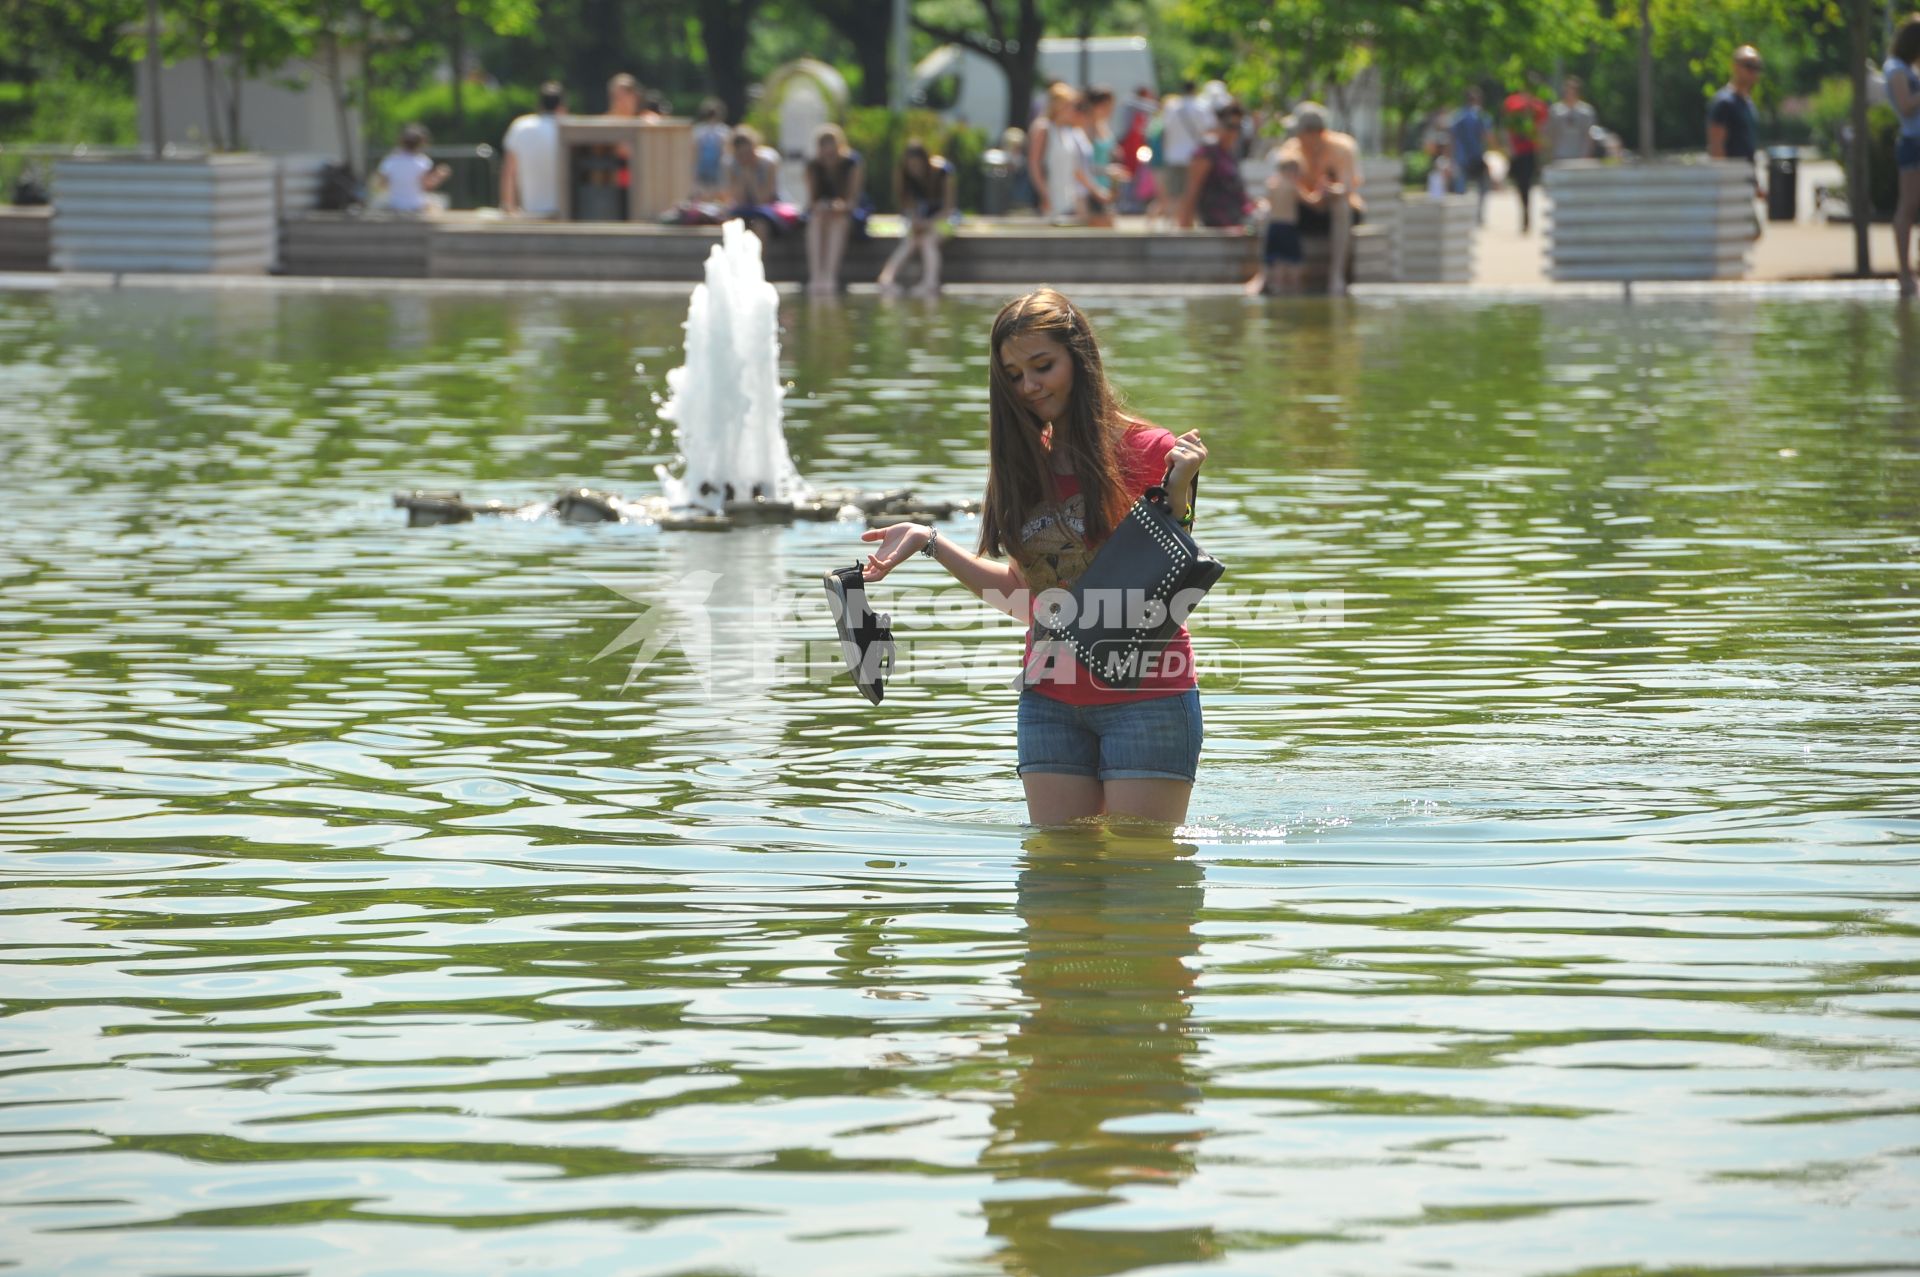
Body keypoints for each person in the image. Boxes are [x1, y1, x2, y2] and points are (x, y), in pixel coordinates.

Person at [856, 289, 1210, 826]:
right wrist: (930, 542)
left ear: (1080, 358)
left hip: (1147, 696)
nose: (1030, 386)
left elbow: (1168, 575)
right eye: (1015, 375)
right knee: (1054, 891)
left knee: (1144, 884)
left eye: (1042, 366)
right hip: (1048, 701)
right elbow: (1029, 601)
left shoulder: (1148, 451)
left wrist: (1179, 493)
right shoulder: (1026, 464)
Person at [1276, 102, 1365, 296]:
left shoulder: (1343, 147)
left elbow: (1347, 188)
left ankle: (1336, 275)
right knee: (1276, 203)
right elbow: (1284, 183)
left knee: (1340, 205)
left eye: (1299, 131)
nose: (1296, 136)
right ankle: (1268, 274)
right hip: (1306, 208)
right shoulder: (1292, 148)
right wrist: (1309, 198)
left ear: (1315, 132)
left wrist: (1330, 191)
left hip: (1339, 208)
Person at [877, 140, 953, 296]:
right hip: (919, 221)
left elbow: (948, 208)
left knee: (927, 240)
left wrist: (927, 223)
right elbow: (908, 209)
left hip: (942, 219)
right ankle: (887, 278)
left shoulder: (942, 172)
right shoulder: (905, 178)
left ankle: (930, 282)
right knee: (911, 240)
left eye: (917, 164)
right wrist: (917, 223)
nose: (915, 169)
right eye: (911, 165)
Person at [803, 123, 863, 296]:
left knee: (838, 221)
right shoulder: (813, 166)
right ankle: (816, 275)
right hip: (821, 214)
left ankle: (830, 275)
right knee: (816, 220)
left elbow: (853, 200)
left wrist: (840, 206)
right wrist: (822, 206)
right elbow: (811, 201)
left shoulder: (852, 163)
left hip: (846, 214)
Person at [1886, 14, 1920, 298]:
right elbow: (1906, 105)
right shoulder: (1896, 68)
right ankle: (1904, 272)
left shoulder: (1908, 68)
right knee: (1908, 206)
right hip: (1912, 142)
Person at [1179, 97, 1250, 230]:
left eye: (1238, 127)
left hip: (1237, 226)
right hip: (1215, 228)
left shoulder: (1230, 154)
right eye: (1230, 126)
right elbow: (1191, 191)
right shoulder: (1207, 152)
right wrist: (1184, 230)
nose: (1233, 133)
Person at [1709, 45, 1765, 208]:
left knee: (1748, 231)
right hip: (1730, 181)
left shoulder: (1748, 104)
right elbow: (1716, 145)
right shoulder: (1724, 103)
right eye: (1748, 66)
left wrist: (1755, 182)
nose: (1753, 72)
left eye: (1757, 67)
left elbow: (1748, 146)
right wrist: (1724, 183)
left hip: (1745, 178)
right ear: (1734, 66)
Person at [500, 81, 564, 218]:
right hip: (563, 213)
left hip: (530, 213)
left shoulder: (520, 126)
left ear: (539, 105)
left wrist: (509, 208)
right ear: (561, 107)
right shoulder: (567, 130)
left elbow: (509, 172)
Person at [1244, 156, 1304, 296]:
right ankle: (1294, 288)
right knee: (1293, 260)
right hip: (1288, 227)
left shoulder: (1272, 184)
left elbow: (1266, 203)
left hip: (1274, 227)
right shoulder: (1292, 186)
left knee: (1276, 260)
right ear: (1292, 171)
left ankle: (1277, 287)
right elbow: (1309, 200)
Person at [1161, 81, 1213, 227]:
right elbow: (1209, 130)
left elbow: (1165, 130)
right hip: (1195, 157)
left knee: (1174, 194)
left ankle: (1172, 225)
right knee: (1192, 194)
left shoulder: (1171, 107)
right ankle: (1187, 225)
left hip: (1173, 156)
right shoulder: (1202, 106)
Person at [1501, 77, 1550, 233]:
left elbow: (1542, 129)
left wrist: (1542, 150)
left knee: (1527, 184)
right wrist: (1508, 148)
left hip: (1530, 151)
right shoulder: (1512, 103)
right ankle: (1524, 211)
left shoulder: (1538, 106)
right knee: (1519, 184)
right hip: (1517, 151)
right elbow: (1507, 127)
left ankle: (1526, 215)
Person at [723, 125, 788, 238]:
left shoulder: (768, 163)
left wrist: (751, 176)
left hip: (767, 211)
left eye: (748, 153)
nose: (745, 158)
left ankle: (760, 255)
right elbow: (738, 199)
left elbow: (763, 199)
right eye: (740, 155)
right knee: (733, 223)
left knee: (760, 225)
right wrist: (744, 175)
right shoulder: (732, 166)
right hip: (744, 210)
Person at [374, 123, 450, 215]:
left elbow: (380, 184)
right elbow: (427, 184)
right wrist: (439, 174)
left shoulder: (390, 160)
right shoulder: (422, 162)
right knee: (441, 201)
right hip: (417, 205)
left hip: (394, 204)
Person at [1449, 87, 1491, 224]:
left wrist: (1451, 157)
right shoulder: (1480, 115)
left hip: (1462, 157)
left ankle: (1461, 216)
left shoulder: (1457, 116)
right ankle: (1478, 216)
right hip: (1477, 156)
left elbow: (1452, 138)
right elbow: (1486, 136)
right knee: (1483, 188)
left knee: (1461, 188)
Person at [1548, 75, 1597, 164]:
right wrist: (1550, 154)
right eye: (1568, 90)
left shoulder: (1586, 111)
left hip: (1580, 156)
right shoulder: (1555, 110)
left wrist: (1587, 154)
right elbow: (1551, 133)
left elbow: (1589, 134)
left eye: (1573, 90)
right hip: (1560, 155)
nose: (1570, 93)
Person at [691, 98, 730, 198]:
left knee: (708, 189)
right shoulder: (723, 130)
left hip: (710, 164)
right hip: (710, 164)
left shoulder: (699, 130)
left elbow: (695, 150)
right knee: (711, 189)